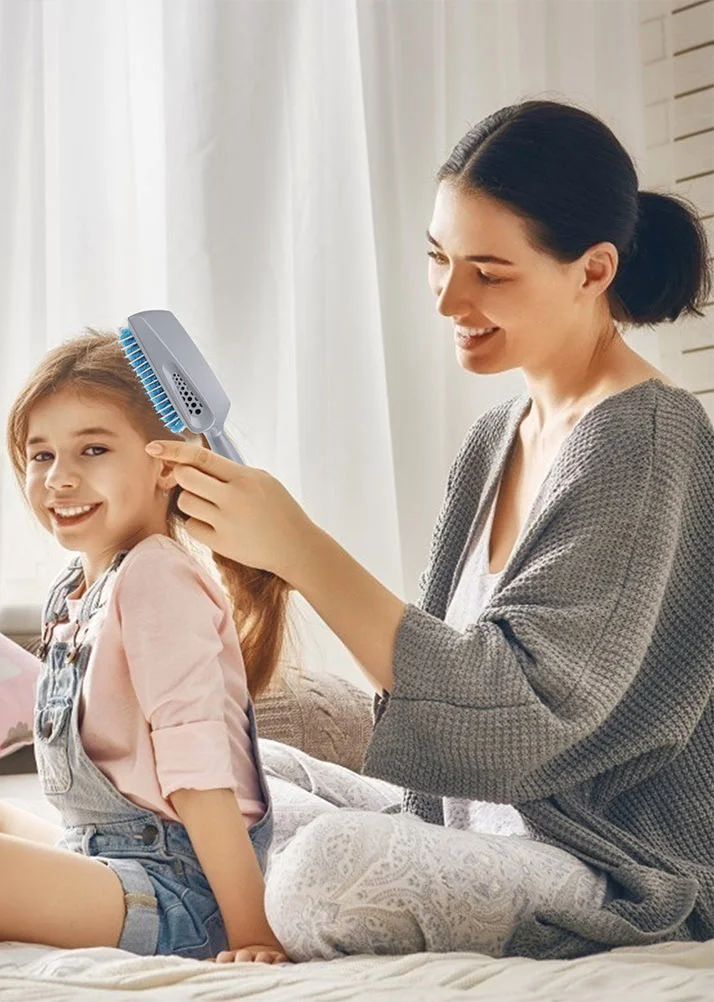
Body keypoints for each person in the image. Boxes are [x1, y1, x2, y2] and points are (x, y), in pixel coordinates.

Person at [145, 99, 714, 961]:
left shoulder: (646, 440)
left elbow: (519, 722)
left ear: (593, 271)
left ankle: (220, 888)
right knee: (245, 776)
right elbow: (437, 695)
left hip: (602, 859)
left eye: (489, 270)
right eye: (438, 258)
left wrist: (301, 549)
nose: (451, 297)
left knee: (322, 867)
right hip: (465, 818)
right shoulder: (496, 437)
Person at [0, 331, 293, 963]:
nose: (59, 478)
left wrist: (250, 932)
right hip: (101, 852)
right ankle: (31, 901)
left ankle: (14, 903)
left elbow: (197, 770)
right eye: (41, 455)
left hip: (181, 891)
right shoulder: (79, 587)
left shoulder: (157, 574)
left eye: (93, 449)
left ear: (167, 466)